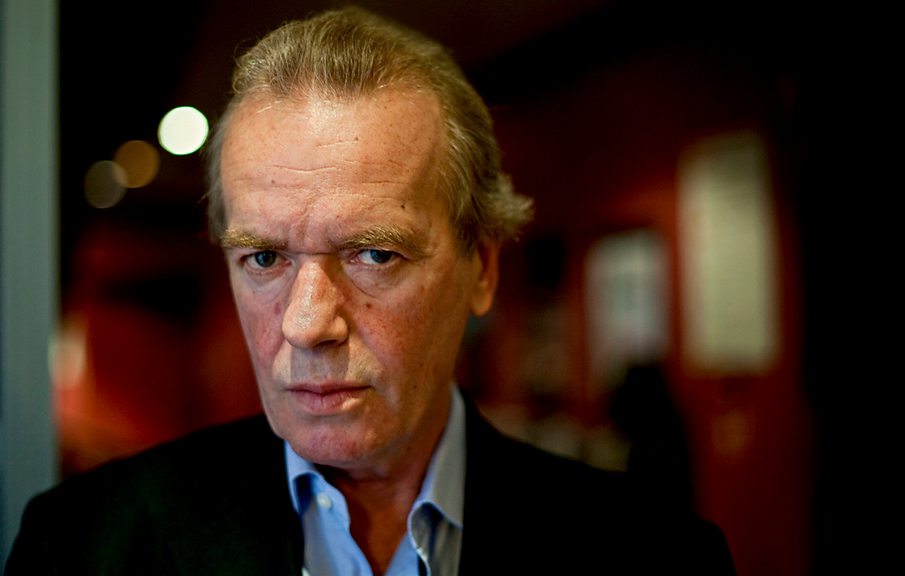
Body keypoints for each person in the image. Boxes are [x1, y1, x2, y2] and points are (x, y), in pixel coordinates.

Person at [5, 7, 734, 575]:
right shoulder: (83, 547)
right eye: (264, 257)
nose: (307, 324)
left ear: (482, 268)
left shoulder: (657, 557)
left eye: (374, 254)